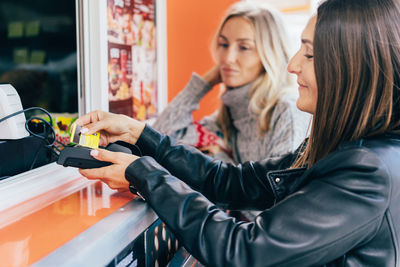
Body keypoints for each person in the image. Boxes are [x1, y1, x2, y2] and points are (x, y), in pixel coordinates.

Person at [75, 0, 400, 265]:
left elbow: (245, 252)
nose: (293, 65)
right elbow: (228, 181)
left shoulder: (367, 170)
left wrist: (145, 175)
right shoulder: (339, 148)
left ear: (353, 69)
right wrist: (139, 133)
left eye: (310, 54)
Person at [152, 1, 310, 164]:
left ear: (269, 55)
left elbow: (280, 187)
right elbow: (157, 142)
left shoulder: (287, 111)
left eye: (244, 47)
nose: (227, 58)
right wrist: (201, 84)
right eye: (224, 44)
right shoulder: (228, 117)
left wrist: (221, 159)